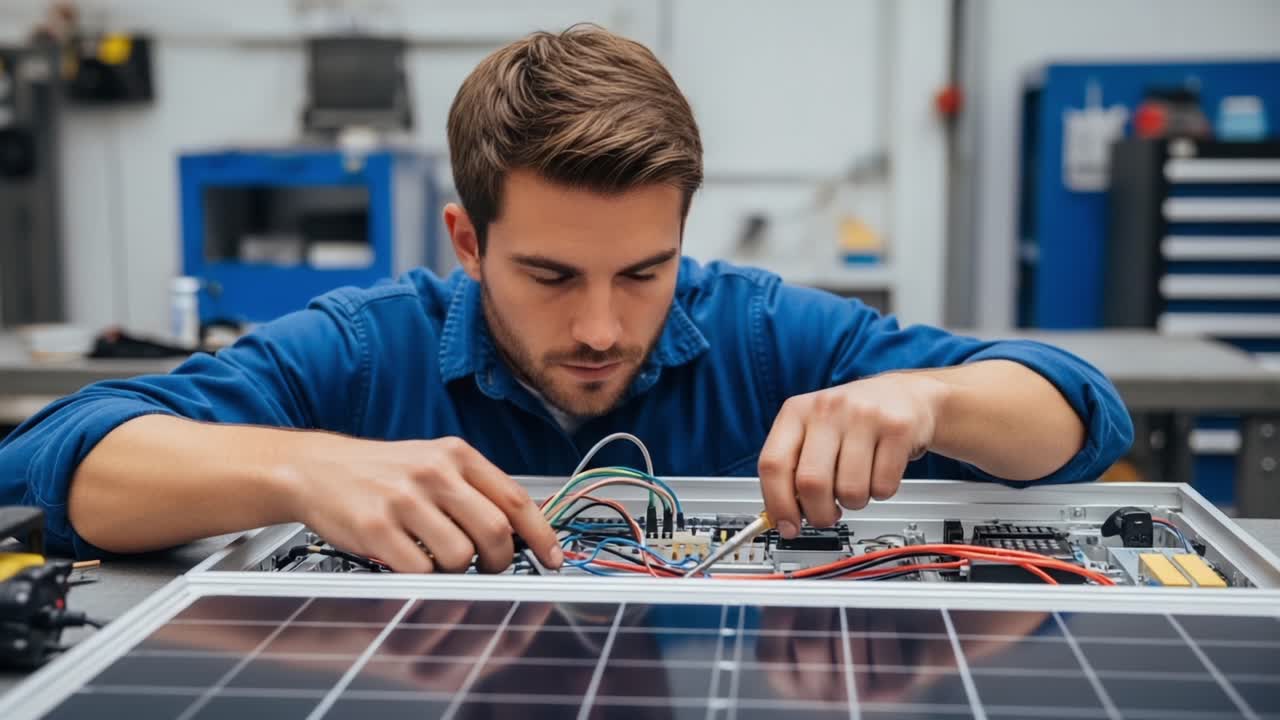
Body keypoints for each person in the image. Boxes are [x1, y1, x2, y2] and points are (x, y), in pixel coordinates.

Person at [0, 25, 1132, 573]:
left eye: (643, 271)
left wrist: (929, 401)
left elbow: (1079, 418)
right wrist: (297, 465)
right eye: (548, 275)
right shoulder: (362, 351)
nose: (600, 326)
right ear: (466, 239)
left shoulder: (757, 329)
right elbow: (52, 457)